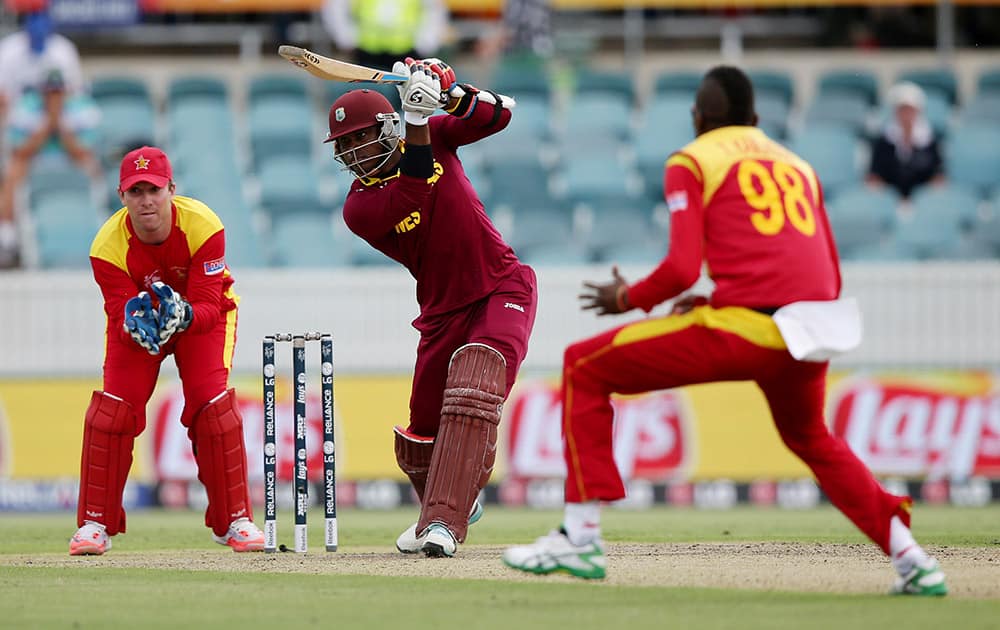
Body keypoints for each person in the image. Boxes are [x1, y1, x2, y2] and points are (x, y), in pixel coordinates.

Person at [502, 66, 947, 597]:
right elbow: (823, 266)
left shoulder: (694, 159)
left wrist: (628, 298)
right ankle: (911, 558)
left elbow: (682, 269)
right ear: (756, 119)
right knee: (812, 438)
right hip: (808, 328)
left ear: (698, 118)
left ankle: (579, 537)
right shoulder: (797, 164)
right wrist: (721, 297)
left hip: (745, 330)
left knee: (582, 365)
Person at [323, 58, 536, 557]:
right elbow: (415, 187)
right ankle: (453, 499)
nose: (354, 153)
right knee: (420, 438)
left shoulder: (434, 135)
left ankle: (444, 521)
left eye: (360, 138)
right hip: (441, 313)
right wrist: (418, 121)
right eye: (345, 147)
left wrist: (447, 89)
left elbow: (500, 114)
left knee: (476, 381)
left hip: (501, 286)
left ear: (387, 127)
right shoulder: (359, 209)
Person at [70, 146, 264, 555]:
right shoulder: (105, 247)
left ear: (171, 189)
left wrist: (185, 315)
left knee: (211, 405)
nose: (146, 201)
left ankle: (235, 521)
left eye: (153, 190)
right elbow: (119, 314)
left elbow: (211, 305)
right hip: (145, 329)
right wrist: (135, 326)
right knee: (113, 411)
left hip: (201, 319)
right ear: (122, 196)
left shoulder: (203, 225)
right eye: (135, 191)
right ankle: (93, 525)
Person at [0, 68, 99, 268]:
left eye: (58, 91)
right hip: (36, 163)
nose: (54, 96)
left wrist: (59, 123)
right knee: (13, 169)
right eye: (49, 91)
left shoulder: (81, 108)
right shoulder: (26, 107)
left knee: (94, 165)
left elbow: (82, 152)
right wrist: (47, 124)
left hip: (72, 164)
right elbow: (20, 151)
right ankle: (7, 237)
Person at [0, 7, 84, 122]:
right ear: (26, 23)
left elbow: (76, 91)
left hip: (58, 116)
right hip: (16, 117)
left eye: (42, 20)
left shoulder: (64, 49)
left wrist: (51, 117)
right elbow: (2, 94)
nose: (38, 27)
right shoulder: (8, 48)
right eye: (33, 20)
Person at [866, 81, 945, 199]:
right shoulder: (884, 141)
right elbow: (874, 176)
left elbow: (938, 177)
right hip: (889, 200)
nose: (906, 115)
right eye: (902, 110)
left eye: (910, 110)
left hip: (922, 202)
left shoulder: (929, 141)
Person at [320, 0, 448, 72]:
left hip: (408, 52)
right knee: (371, 103)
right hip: (366, 52)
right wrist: (347, 39)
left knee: (407, 101)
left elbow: (434, 11)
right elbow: (335, 9)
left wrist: (425, 42)